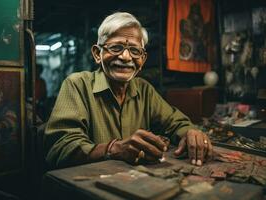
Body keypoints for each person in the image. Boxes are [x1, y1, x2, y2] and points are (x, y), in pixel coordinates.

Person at [44, 12, 213, 169]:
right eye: (116, 48)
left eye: (134, 50)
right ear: (97, 54)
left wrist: (190, 132)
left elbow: (175, 122)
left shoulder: (144, 89)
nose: (126, 57)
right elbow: (60, 148)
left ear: (142, 59)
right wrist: (113, 149)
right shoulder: (78, 85)